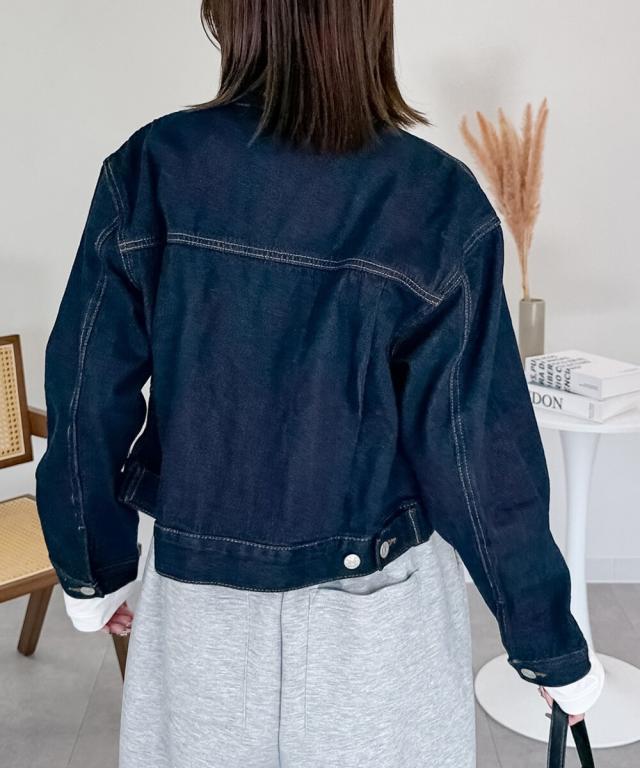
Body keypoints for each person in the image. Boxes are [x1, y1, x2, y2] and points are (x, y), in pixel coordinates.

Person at [35, 1, 604, 765]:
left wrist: (91, 569)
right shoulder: (433, 198)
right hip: (379, 614)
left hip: (202, 603)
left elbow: (83, 395)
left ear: (231, 16)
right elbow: (476, 453)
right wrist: (547, 644)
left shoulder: (154, 168)